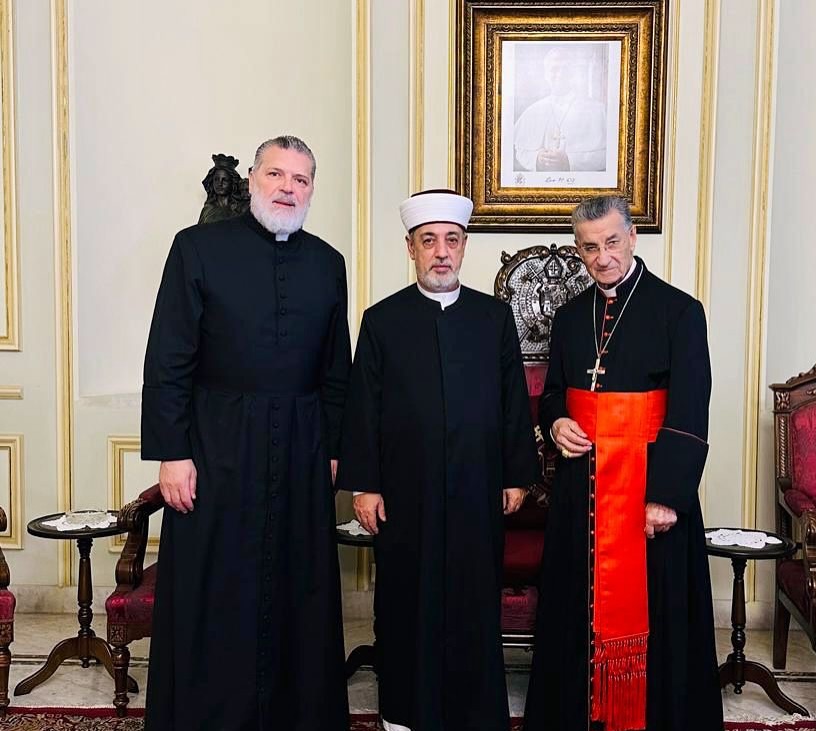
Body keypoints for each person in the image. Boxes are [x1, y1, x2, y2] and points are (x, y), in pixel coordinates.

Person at [141, 135, 350, 731]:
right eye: (276, 174)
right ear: (253, 180)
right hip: (216, 447)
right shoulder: (197, 248)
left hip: (303, 446)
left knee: (298, 589)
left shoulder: (327, 262)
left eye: (301, 179)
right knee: (216, 587)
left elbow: (337, 368)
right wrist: (173, 453)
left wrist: (335, 449)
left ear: (312, 190)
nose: (288, 188)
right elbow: (169, 357)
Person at [337, 189, 540, 731]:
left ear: (464, 246)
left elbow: (512, 400)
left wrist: (516, 474)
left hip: (478, 486)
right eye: (429, 241)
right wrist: (365, 486)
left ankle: (475, 714)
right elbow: (363, 406)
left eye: (451, 240)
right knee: (407, 601)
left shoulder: (494, 318)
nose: (441, 252)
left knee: (474, 602)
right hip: (406, 492)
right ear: (411, 249)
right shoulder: (382, 320)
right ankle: (405, 713)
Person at [523, 195, 722, 731]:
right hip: (580, 494)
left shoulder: (680, 312)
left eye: (612, 242)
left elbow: (690, 410)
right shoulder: (569, 317)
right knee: (574, 612)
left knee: (655, 614)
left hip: (648, 491)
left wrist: (665, 498)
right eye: (590, 248)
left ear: (632, 237)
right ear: (579, 250)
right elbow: (554, 394)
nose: (602, 257)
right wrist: (556, 422)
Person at [513, 45, 607, 173]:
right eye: (554, 69)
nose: (560, 74)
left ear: (573, 73)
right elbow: (521, 151)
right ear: (546, 74)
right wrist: (536, 159)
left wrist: (570, 161)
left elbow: (607, 155)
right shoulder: (533, 111)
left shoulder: (598, 110)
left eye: (566, 68)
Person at [198, 153, 247, 225]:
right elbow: (199, 230)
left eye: (225, 180)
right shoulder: (207, 210)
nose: (220, 183)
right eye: (216, 179)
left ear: (232, 183)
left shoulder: (241, 209)